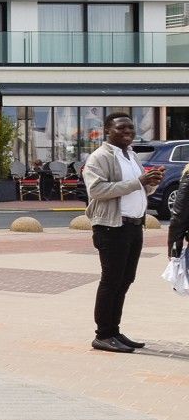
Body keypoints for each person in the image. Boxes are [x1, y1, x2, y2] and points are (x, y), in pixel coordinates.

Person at [82, 112, 163, 353]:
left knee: (125, 280)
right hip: (111, 227)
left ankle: (114, 330)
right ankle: (103, 334)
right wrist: (139, 181)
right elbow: (97, 190)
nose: (127, 132)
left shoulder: (132, 156)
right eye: (121, 128)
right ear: (108, 130)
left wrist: (151, 182)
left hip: (134, 225)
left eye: (130, 128)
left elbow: (138, 190)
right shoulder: (99, 157)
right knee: (111, 281)